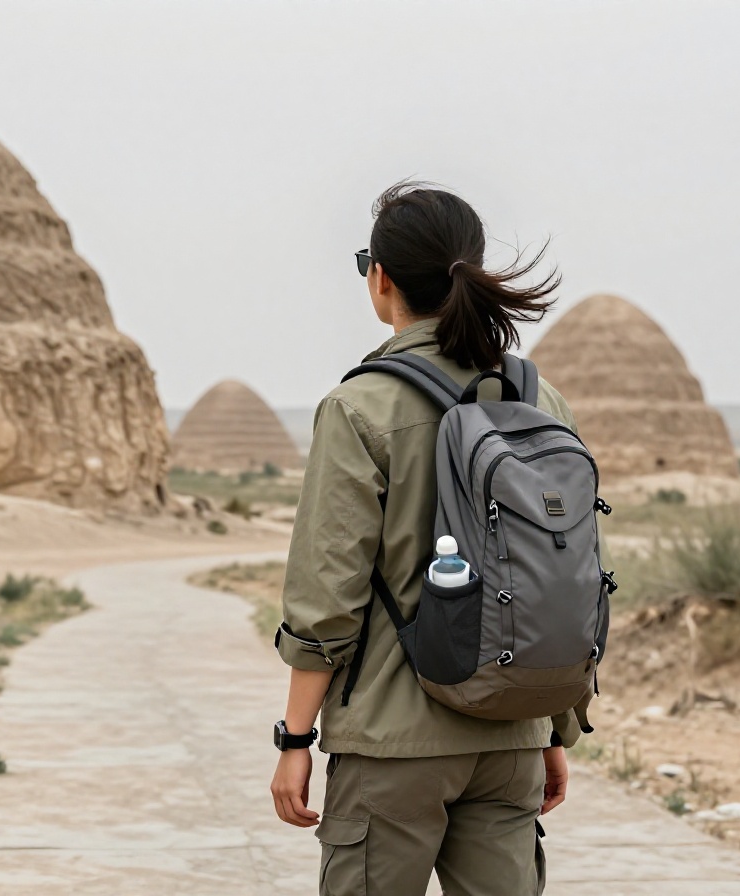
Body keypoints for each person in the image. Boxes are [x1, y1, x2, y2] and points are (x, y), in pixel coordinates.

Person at [269, 182, 583, 896]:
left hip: (392, 743)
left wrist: (294, 740)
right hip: (512, 738)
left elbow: (328, 598)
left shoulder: (361, 406)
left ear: (380, 279)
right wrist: (553, 725)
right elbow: (561, 578)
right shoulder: (542, 402)